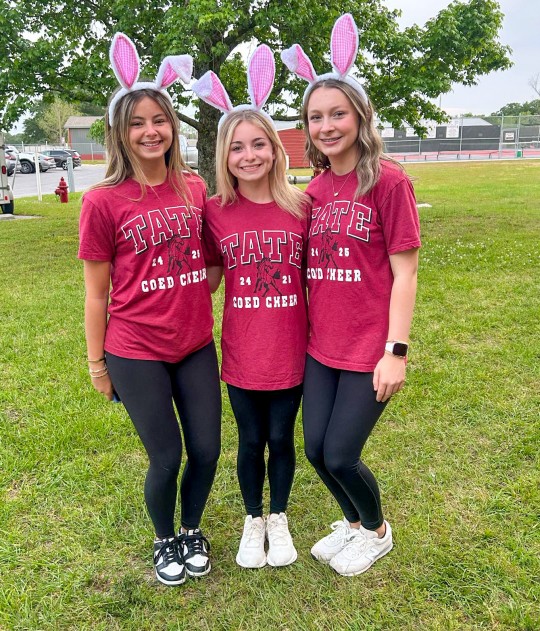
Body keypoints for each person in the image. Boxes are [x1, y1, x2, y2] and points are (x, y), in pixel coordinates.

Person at [78, 33, 221, 586]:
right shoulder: (102, 201)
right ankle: (165, 539)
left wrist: (194, 288)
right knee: (166, 456)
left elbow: (212, 258)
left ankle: (191, 528)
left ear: (173, 126)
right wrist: (98, 365)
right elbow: (96, 293)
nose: (150, 131)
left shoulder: (194, 188)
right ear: (121, 132)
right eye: (137, 122)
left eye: (159, 119)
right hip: (135, 350)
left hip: (195, 344)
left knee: (206, 450)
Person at [282, 14, 421, 576]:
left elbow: (405, 274)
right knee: (316, 450)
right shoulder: (314, 190)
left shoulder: (388, 181)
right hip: (322, 348)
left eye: (337, 113)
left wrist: (396, 351)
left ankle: (377, 531)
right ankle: (354, 523)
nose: (326, 126)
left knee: (341, 453)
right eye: (316, 117)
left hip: (370, 348)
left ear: (361, 116)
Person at [193, 46, 309, 568]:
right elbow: (209, 279)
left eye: (259, 143)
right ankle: (252, 519)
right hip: (243, 351)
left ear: (275, 149)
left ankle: (278, 517)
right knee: (249, 439)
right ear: (225, 155)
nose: (249, 155)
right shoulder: (215, 211)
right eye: (237, 147)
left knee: (281, 437)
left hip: (290, 348)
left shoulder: (302, 207)